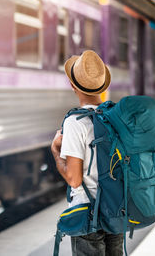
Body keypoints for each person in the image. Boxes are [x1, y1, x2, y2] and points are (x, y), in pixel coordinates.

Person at [51, 50, 123, 256]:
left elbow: (74, 179)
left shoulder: (75, 122)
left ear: (73, 86)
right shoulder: (114, 117)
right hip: (116, 210)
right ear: (103, 87)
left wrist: (56, 151)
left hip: (88, 215)